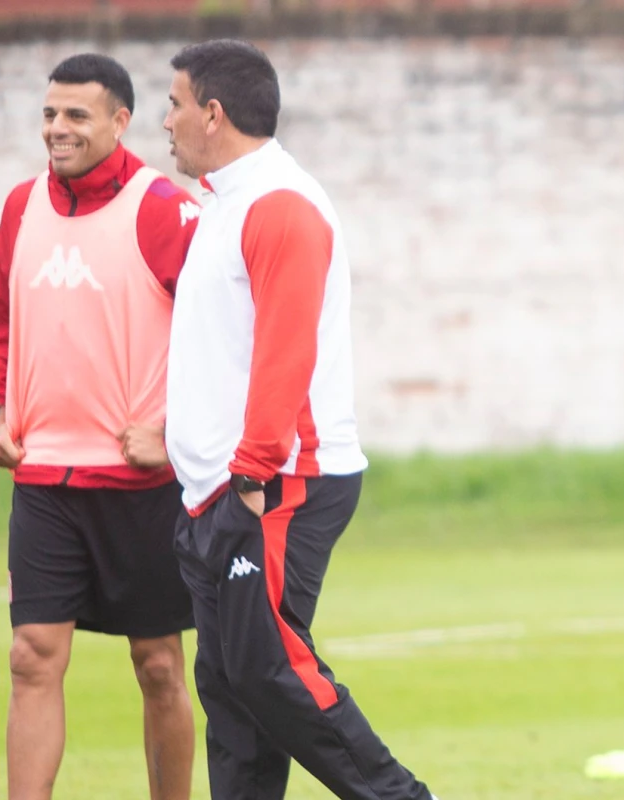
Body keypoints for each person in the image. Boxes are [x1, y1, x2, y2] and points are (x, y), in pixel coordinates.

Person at [162, 40, 439, 800]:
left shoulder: (280, 204)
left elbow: (287, 348)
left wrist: (250, 472)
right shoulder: (222, 204)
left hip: (279, 480)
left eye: (175, 102)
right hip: (218, 489)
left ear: (213, 113)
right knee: (230, 685)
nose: (166, 120)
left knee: (267, 666)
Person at [0, 53, 201, 800]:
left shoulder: (162, 206)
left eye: (76, 115)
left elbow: (222, 337)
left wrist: (171, 429)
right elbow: (2, 322)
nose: (58, 129)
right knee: (31, 655)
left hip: (143, 483)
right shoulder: (19, 207)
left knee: (160, 665)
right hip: (44, 480)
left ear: (119, 121)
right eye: (49, 114)